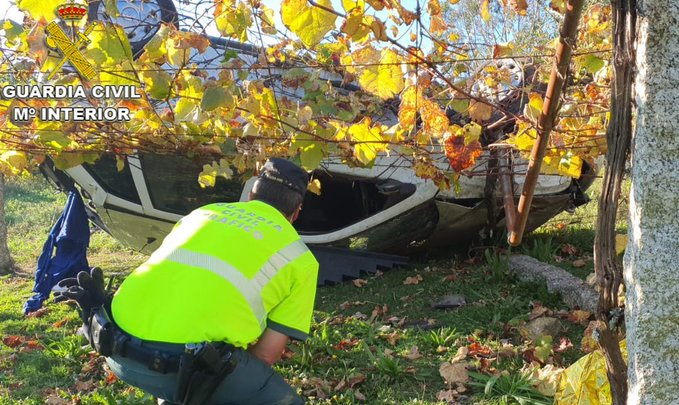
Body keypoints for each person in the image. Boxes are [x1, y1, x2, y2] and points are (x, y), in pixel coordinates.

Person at [58, 158, 319, 405]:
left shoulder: (202, 214)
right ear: (296, 213)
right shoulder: (301, 259)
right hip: (180, 369)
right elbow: (265, 355)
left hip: (114, 346)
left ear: (251, 194)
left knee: (195, 377)